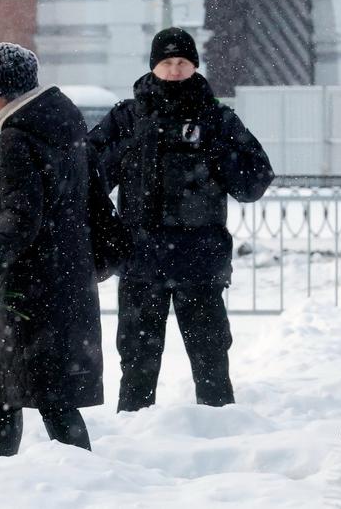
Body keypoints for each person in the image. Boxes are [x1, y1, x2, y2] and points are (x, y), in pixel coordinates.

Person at [88, 27, 273, 412]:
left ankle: (220, 434)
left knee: (211, 360)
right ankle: (132, 436)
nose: (175, 70)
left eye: (182, 63)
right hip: (140, 259)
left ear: (194, 66)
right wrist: (127, 150)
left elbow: (254, 181)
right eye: (167, 63)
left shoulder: (218, 118)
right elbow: (86, 176)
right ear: (154, 66)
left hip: (200, 261)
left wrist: (215, 149)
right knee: (137, 362)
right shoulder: (128, 116)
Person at [0, 42, 103, 457]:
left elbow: (20, 220)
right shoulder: (65, 121)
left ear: (10, 95)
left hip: (34, 285)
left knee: (5, 391)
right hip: (68, 276)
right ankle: (86, 477)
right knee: (53, 394)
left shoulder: (17, 137)